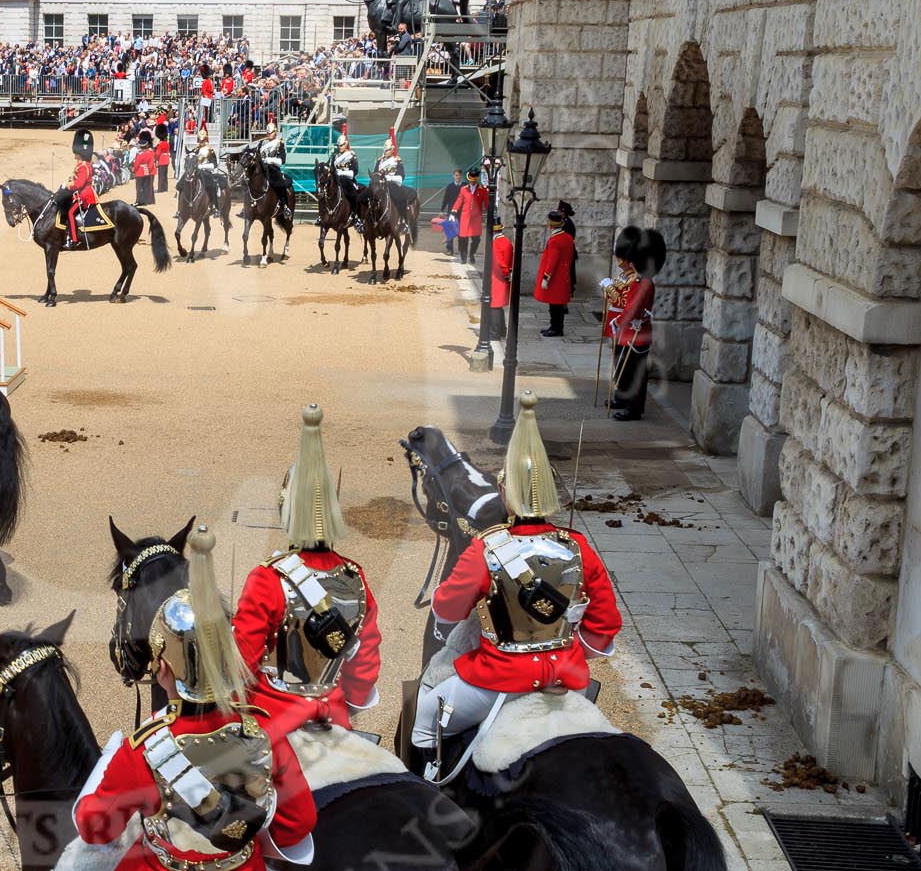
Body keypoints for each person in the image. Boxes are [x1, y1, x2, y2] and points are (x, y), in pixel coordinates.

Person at [38, 526, 317, 871]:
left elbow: (96, 829)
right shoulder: (260, 730)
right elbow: (301, 822)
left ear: (162, 667)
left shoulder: (146, 748)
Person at [409, 390, 622, 778]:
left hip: (497, 680)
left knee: (423, 721)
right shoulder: (577, 548)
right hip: (566, 680)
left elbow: (446, 609)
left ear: (505, 491)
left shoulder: (485, 549)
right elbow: (605, 625)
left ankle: (429, 796)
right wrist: (567, 651)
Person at [230, 405, 381, 735]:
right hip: (334, 718)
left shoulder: (267, 580)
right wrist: (342, 704)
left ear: (287, 507)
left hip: (273, 722)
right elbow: (364, 666)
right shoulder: (354, 578)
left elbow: (241, 669)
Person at [606, 226, 663, 421]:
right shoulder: (638, 280)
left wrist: (618, 321)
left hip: (638, 334)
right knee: (624, 367)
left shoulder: (645, 283)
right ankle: (622, 398)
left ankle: (634, 408)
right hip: (630, 333)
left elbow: (633, 309)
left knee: (635, 373)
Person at [534, 202, 577, 336]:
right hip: (563, 274)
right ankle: (555, 326)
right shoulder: (568, 238)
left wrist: (546, 278)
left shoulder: (555, 241)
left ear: (550, 225)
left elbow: (552, 261)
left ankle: (556, 328)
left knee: (555, 305)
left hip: (555, 277)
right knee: (558, 304)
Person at [64, 127, 101, 241]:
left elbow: (79, 184)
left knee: (70, 213)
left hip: (84, 195)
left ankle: (73, 239)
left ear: (80, 152)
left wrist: (67, 185)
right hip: (81, 193)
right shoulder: (82, 165)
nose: (75, 154)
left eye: (76, 152)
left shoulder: (84, 166)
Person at [454, 164, 489, 265]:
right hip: (465, 217)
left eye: (474, 178)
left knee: (476, 239)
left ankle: (472, 254)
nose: (472, 180)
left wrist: (490, 212)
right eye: (471, 178)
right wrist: (454, 211)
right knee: (463, 238)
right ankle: (463, 257)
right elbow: (459, 200)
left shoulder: (482, 190)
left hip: (476, 218)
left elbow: (486, 203)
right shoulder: (464, 189)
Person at [488, 217, 514, 339]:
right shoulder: (507, 242)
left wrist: (505, 274)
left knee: (495, 306)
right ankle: (502, 330)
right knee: (499, 306)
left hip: (497, 278)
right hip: (503, 278)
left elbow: (499, 263)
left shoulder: (495, 244)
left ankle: (495, 333)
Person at [439, 169, 464, 258]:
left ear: (461, 176)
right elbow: (446, 199)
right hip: (451, 211)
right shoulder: (450, 186)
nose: (458, 177)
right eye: (456, 175)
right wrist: (442, 210)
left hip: (462, 212)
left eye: (459, 175)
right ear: (453, 176)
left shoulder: (465, 186)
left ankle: (461, 249)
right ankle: (449, 249)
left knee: (461, 231)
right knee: (450, 230)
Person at [131, 129, 156, 207]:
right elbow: (151, 163)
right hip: (146, 171)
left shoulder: (140, 154)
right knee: (146, 187)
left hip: (140, 172)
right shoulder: (150, 152)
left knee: (139, 188)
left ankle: (139, 200)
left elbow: (136, 165)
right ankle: (147, 200)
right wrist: (148, 170)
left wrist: (134, 170)